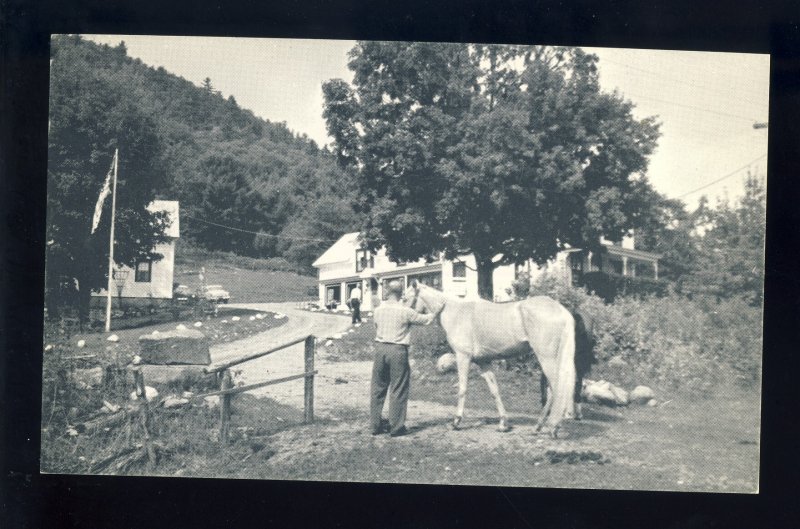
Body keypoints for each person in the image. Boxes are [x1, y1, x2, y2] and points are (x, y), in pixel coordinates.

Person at [370, 279, 436, 437]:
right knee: (398, 388)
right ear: (401, 294)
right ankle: (396, 426)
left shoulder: (378, 310)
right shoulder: (405, 311)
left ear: (387, 292)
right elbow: (426, 320)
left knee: (378, 388)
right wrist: (436, 311)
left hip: (380, 349)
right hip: (398, 350)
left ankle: (375, 425)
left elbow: (376, 326)